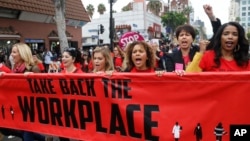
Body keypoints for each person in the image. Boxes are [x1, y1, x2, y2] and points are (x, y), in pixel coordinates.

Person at [0, 43, 52, 141]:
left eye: (14, 52)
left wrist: (33, 78)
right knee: (6, 129)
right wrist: (4, 76)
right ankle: (44, 139)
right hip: (18, 108)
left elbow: (40, 90)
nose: (11, 55)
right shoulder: (14, 70)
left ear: (22, 54)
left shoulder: (33, 68)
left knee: (27, 135)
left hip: (29, 110)